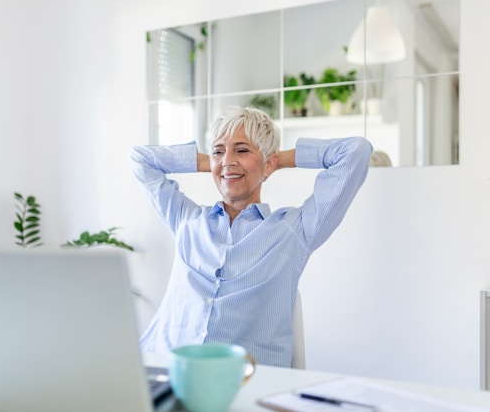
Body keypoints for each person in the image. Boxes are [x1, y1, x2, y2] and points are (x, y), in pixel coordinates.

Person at [129, 106, 372, 367]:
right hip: (164, 369)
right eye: (219, 150)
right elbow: (140, 159)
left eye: (242, 150)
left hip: (241, 382)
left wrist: (277, 159)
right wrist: (212, 163)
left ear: (268, 163)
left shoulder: (292, 232)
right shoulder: (187, 221)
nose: (228, 160)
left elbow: (355, 151)